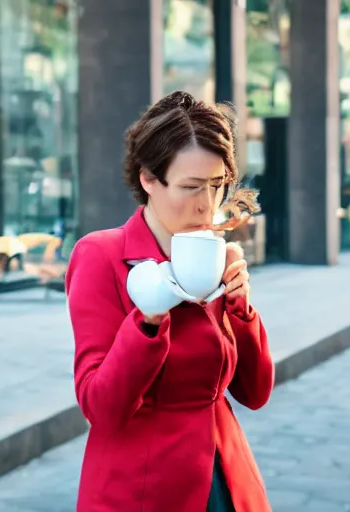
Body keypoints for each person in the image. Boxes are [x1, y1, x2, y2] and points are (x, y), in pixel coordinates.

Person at [65, 90, 274, 512]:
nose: (206, 205)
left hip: (227, 478)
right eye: (190, 186)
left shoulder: (215, 254)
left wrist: (241, 309)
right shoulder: (100, 255)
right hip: (145, 488)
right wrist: (147, 320)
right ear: (147, 179)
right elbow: (101, 408)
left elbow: (254, 393)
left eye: (217, 186)